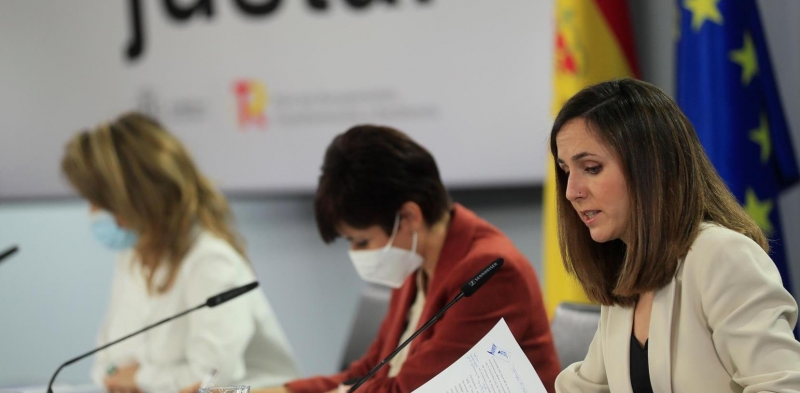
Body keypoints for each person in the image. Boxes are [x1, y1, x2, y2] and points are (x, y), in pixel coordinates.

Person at [258, 124, 560, 393]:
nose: (356, 255)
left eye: (362, 241)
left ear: (409, 217)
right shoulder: (417, 261)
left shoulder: (488, 274)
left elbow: (410, 390)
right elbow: (369, 372)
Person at [551, 78, 800, 392]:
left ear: (649, 169)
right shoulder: (628, 269)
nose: (572, 192)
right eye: (565, 171)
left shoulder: (722, 256)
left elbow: (783, 386)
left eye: (591, 168)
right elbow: (587, 387)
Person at [61, 112, 300, 393]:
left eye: (100, 202)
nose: (92, 213)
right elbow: (107, 365)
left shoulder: (211, 261)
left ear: (139, 198)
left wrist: (140, 378)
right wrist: (129, 376)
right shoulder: (133, 255)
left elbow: (210, 381)